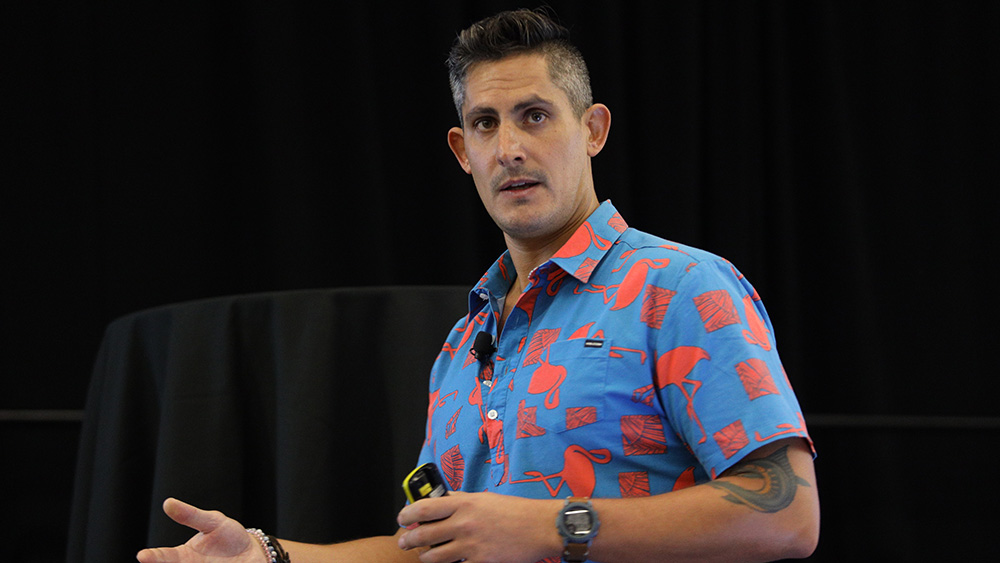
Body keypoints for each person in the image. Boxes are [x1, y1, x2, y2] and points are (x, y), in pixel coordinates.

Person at [138, 8, 819, 563]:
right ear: (463, 152)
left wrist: (553, 526)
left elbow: (788, 512)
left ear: (593, 129)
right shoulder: (464, 343)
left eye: (535, 115)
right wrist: (269, 555)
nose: (509, 148)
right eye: (485, 124)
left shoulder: (679, 287)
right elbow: (429, 549)